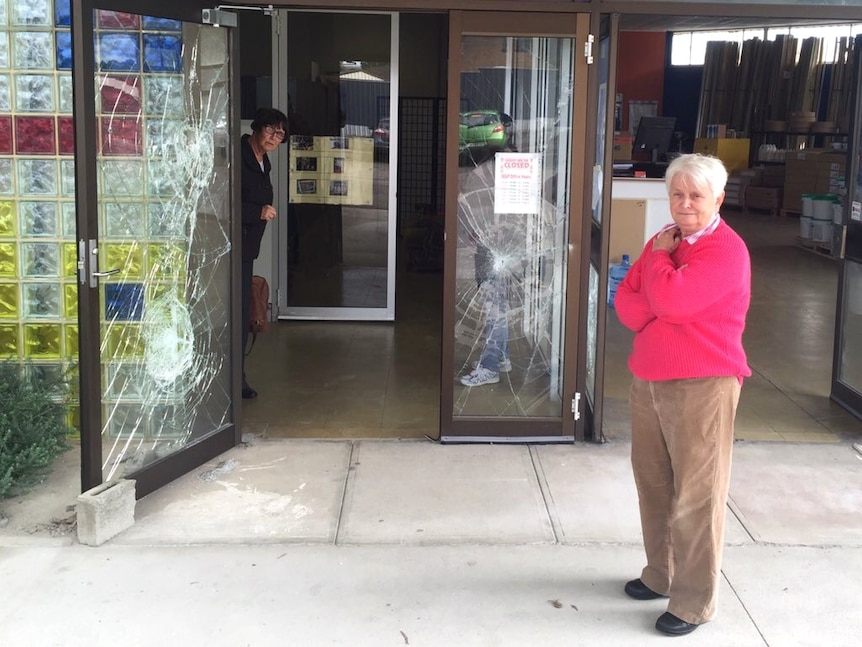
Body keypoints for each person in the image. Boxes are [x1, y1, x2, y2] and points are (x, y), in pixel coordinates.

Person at [614, 153, 751, 636]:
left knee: (697, 496)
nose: (685, 203)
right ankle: (661, 574)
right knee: (653, 485)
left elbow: (669, 300)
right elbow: (626, 305)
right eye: (677, 194)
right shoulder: (663, 241)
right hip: (649, 379)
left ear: (718, 198)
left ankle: (694, 602)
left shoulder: (725, 250)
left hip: (704, 385)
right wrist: (661, 293)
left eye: (696, 194)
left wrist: (659, 280)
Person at [240, 107, 288, 399]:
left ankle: (238, 377)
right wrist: (258, 211)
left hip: (248, 246)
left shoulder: (262, 160)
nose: (274, 137)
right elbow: (222, 202)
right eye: (270, 130)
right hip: (233, 245)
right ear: (257, 129)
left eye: (280, 133)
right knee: (235, 314)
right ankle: (234, 379)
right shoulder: (238, 157)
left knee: (242, 312)